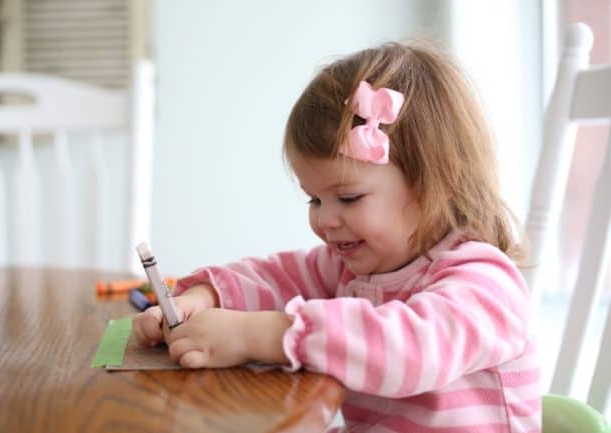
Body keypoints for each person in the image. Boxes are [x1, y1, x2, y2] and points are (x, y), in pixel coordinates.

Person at [133, 41, 541, 433]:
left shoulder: (485, 283)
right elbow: (278, 277)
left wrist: (258, 335)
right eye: (314, 199)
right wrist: (202, 299)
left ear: (436, 184)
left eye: (348, 198)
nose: (325, 220)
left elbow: (407, 351)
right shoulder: (353, 265)